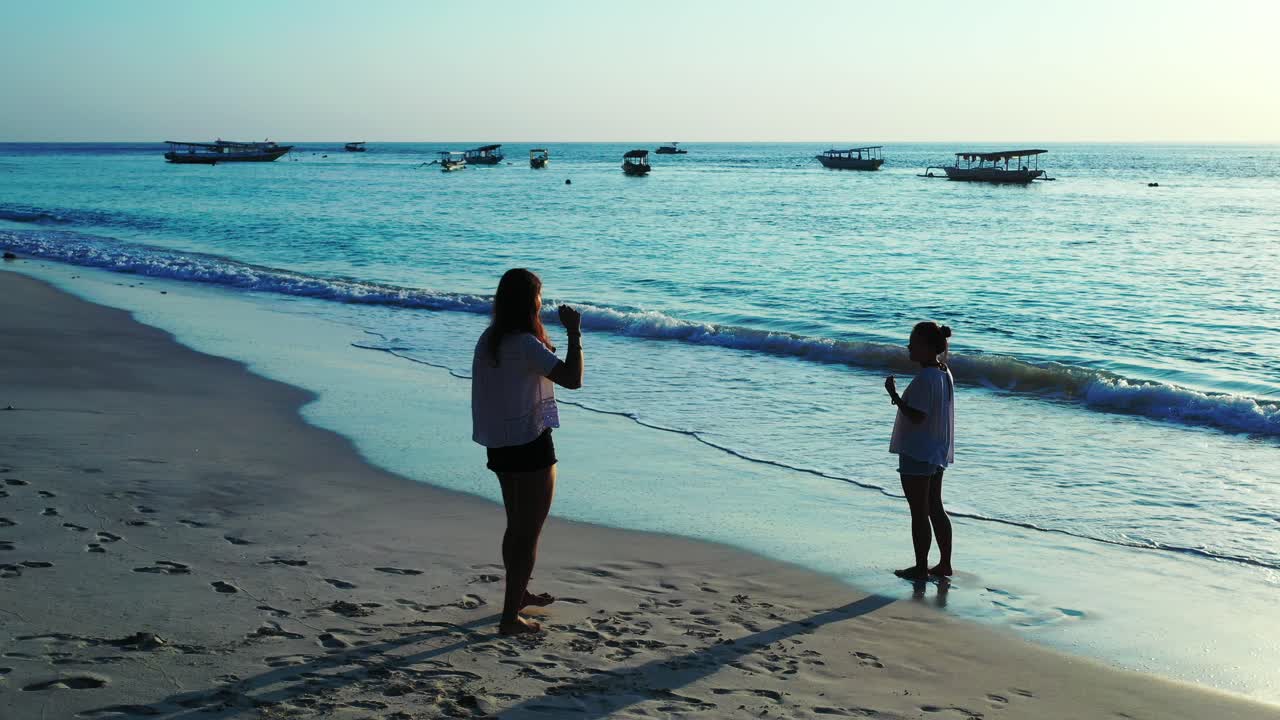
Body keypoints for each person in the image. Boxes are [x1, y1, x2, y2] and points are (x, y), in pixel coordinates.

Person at [471, 269, 583, 635]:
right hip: (529, 443)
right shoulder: (523, 343)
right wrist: (574, 332)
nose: (542, 301)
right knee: (528, 531)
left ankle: (517, 596)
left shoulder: (491, 339)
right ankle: (509, 618)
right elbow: (572, 379)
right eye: (539, 295)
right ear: (528, 301)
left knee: (516, 526)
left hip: (499, 443)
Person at [884, 322, 956, 582]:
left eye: (913, 343)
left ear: (926, 347)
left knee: (919, 510)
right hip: (937, 449)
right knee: (935, 507)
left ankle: (921, 567)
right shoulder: (943, 371)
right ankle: (944, 563)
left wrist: (895, 395)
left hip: (919, 450)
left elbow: (917, 416)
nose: (908, 347)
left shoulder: (926, 378)